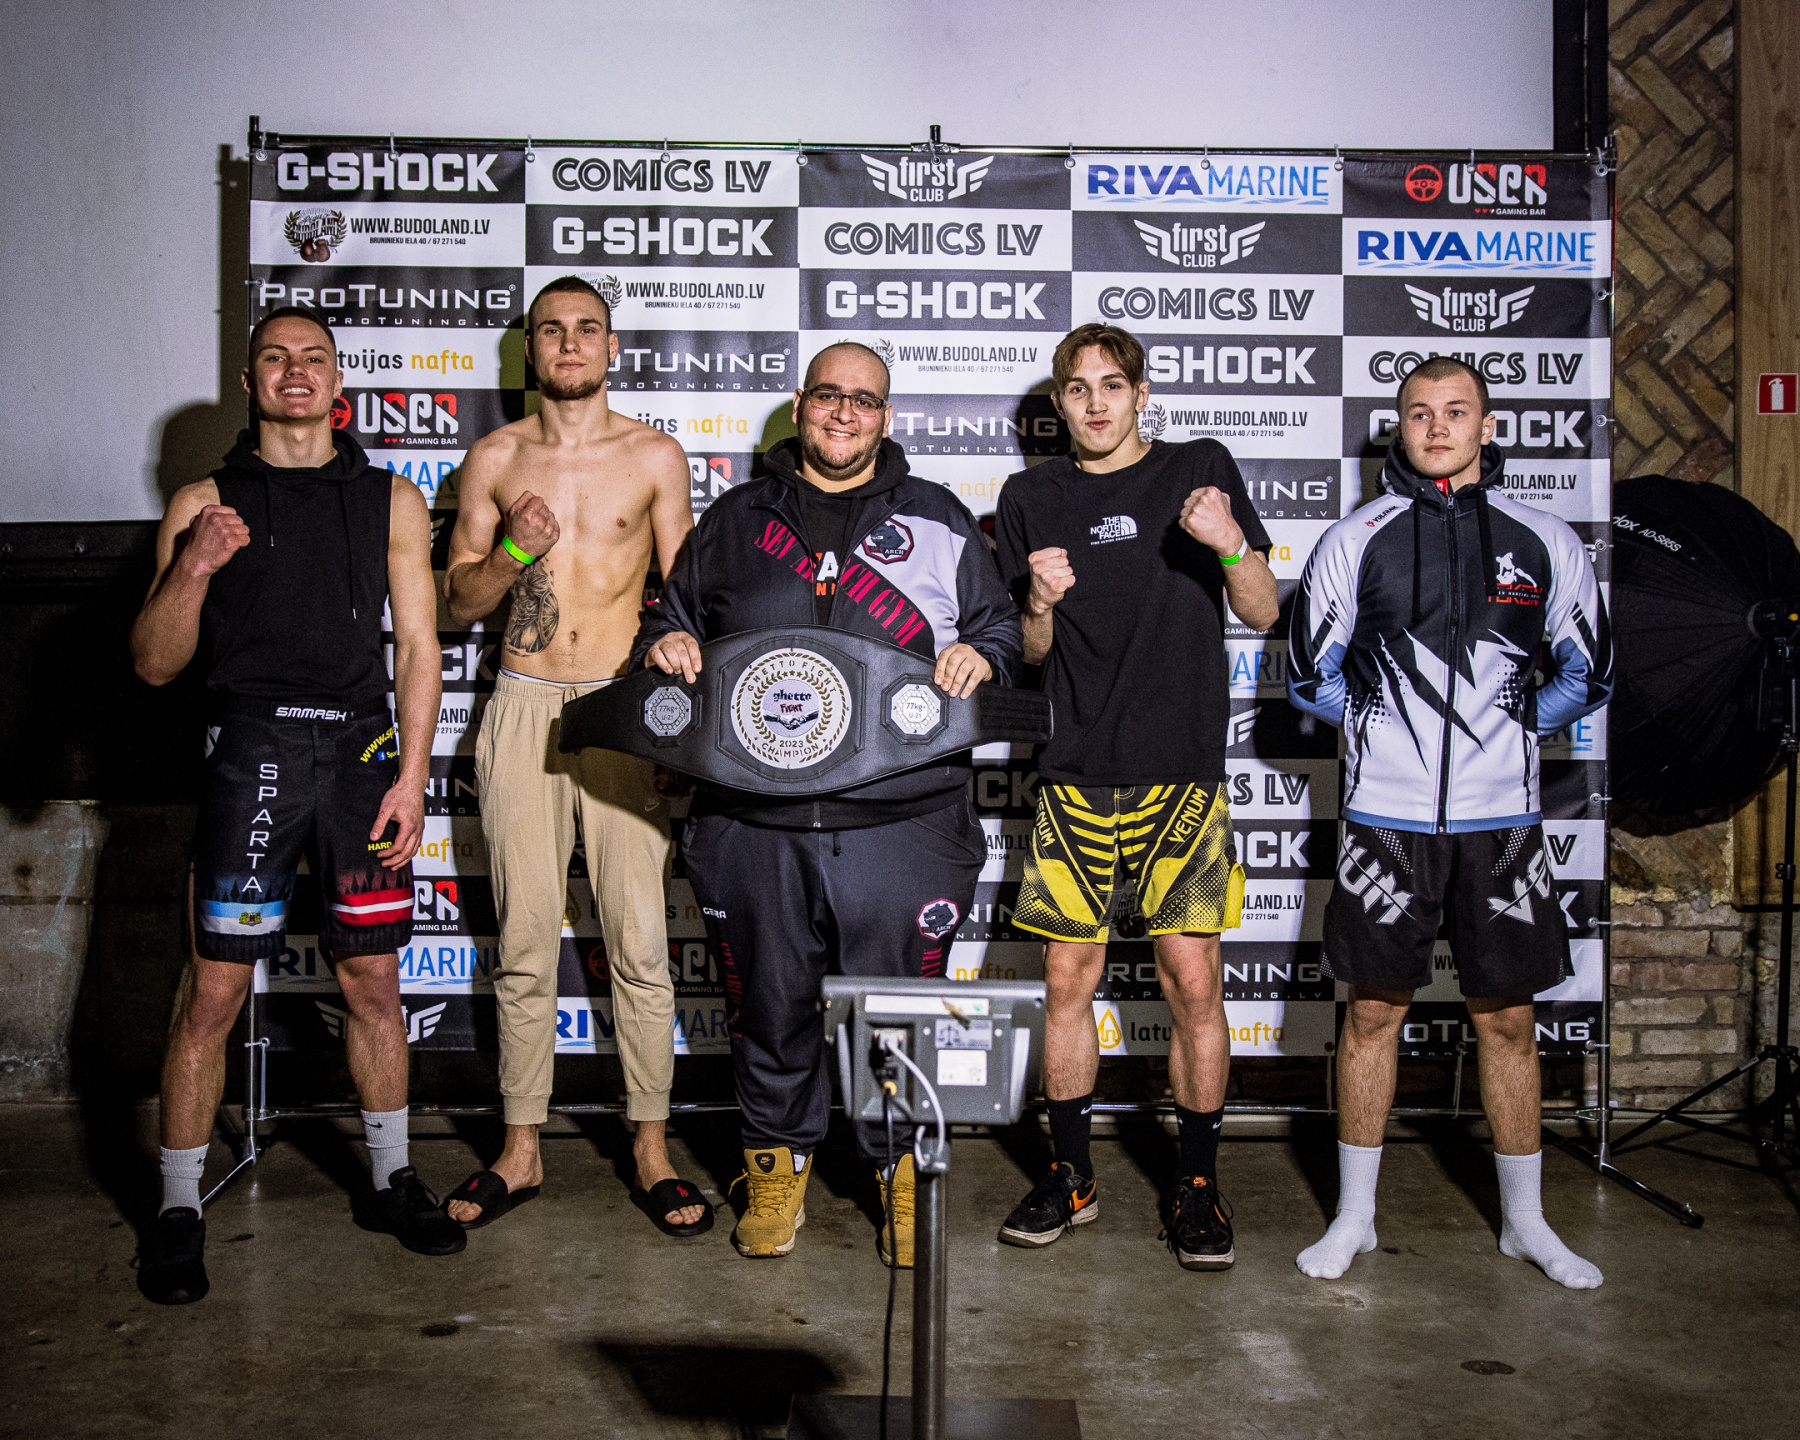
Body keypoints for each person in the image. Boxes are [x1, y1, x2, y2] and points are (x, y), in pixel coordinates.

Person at [633, 341, 1021, 1263]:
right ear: (801, 404)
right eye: (828, 395)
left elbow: (1000, 630)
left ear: (886, 417)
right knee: (769, 1013)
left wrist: (981, 654)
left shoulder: (936, 516)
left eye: (864, 400)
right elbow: (672, 617)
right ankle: (775, 1171)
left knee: (900, 1019)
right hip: (753, 824)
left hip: (904, 823)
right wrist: (666, 645)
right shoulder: (737, 519)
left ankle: (902, 1177)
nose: (844, 413)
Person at [130, 305, 458, 1305]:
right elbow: (154, 664)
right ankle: (178, 1208)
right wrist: (195, 565)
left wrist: (411, 777)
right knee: (214, 992)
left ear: (338, 382)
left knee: (373, 980)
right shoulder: (203, 500)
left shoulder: (392, 498)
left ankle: (391, 1180)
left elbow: (419, 645)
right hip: (254, 747)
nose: (296, 371)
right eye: (275, 357)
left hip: (361, 753)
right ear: (250, 381)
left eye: (313, 357)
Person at [1286, 355, 1612, 1290]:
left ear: (1487, 425)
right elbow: (1309, 674)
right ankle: (1355, 1219)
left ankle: (1526, 1223)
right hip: (1384, 821)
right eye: (1420, 413)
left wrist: (1513, 729)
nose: (1436, 427)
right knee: (1371, 1014)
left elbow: (1589, 671)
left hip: (1501, 824)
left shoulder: (1545, 539)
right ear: (1400, 427)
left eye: (1456, 411)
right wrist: (1377, 729)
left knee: (1507, 1020)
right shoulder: (1357, 538)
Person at [993, 322, 1278, 1271]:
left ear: (1142, 393)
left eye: (1112, 385)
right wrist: (1037, 605)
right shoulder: (1030, 497)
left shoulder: (1199, 468)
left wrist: (1230, 544)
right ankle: (1071, 1174)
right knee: (1065, 980)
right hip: (1075, 772)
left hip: (1181, 772)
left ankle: (1196, 1183)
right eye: (1077, 389)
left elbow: (1263, 609)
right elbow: (1028, 657)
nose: (1096, 403)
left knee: (1192, 980)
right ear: (1058, 403)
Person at [442, 277, 706, 1235]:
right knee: (522, 940)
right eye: (551, 330)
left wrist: (679, 698)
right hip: (521, 705)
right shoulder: (496, 457)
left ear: (612, 347)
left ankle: (651, 1148)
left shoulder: (654, 455)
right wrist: (513, 554)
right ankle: (520, 1150)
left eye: (587, 329)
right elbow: (455, 604)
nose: (569, 343)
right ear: (531, 350)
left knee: (638, 942)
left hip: (621, 709)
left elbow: (690, 595)